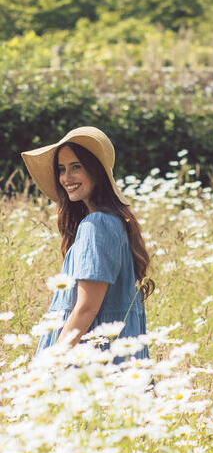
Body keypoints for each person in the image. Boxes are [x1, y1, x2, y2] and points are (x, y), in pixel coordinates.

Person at [21, 126, 153, 360]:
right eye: (61, 169)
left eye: (76, 167)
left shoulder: (98, 224)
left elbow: (86, 307)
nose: (66, 178)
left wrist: (49, 364)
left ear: (96, 171)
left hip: (92, 361)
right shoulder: (112, 221)